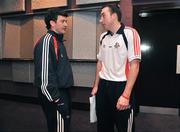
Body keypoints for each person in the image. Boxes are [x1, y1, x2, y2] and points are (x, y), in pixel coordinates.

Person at [91, 4, 141, 132]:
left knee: (124, 126)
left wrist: (126, 95)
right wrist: (96, 86)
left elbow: (134, 65)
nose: (100, 20)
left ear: (114, 16)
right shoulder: (103, 37)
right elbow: (100, 62)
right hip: (103, 87)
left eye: (103, 15)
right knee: (103, 125)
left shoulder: (130, 33)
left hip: (121, 87)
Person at [34, 8, 73, 132]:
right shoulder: (47, 41)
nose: (66, 25)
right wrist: (58, 100)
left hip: (62, 93)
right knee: (58, 128)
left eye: (66, 21)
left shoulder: (58, 41)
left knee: (63, 127)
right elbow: (45, 78)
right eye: (63, 21)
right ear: (52, 23)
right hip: (55, 95)